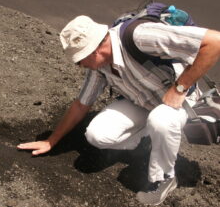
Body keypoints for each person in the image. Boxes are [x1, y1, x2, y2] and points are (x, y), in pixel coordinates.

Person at [17, 15, 220, 205]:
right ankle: (148, 140)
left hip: (179, 102)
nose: (80, 66)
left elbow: (214, 41)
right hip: (142, 102)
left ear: (94, 50)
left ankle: (164, 178)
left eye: (80, 60)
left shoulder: (140, 36)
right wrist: (51, 141)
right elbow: (81, 104)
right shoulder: (100, 66)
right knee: (98, 135)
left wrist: (180, 88)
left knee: (161, 120)